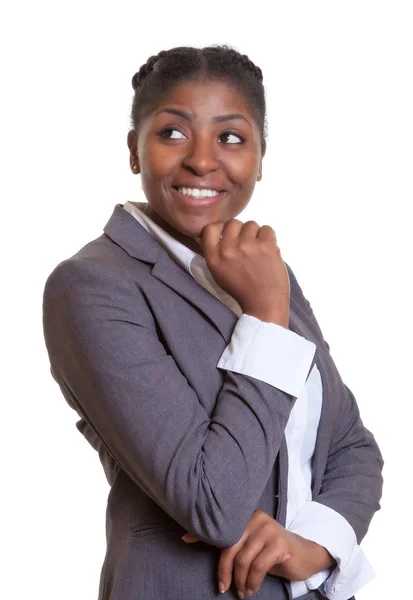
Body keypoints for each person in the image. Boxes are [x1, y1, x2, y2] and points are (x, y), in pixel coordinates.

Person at [42, 45, 383, 600]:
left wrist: (314, 547)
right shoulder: (92, 287)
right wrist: (266, 316)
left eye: (230, 137)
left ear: (261, 157)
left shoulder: (266, 270)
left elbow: (351, 447)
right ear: (134, 150)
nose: (202, 160)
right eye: (172, 133)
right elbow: (213, 501)